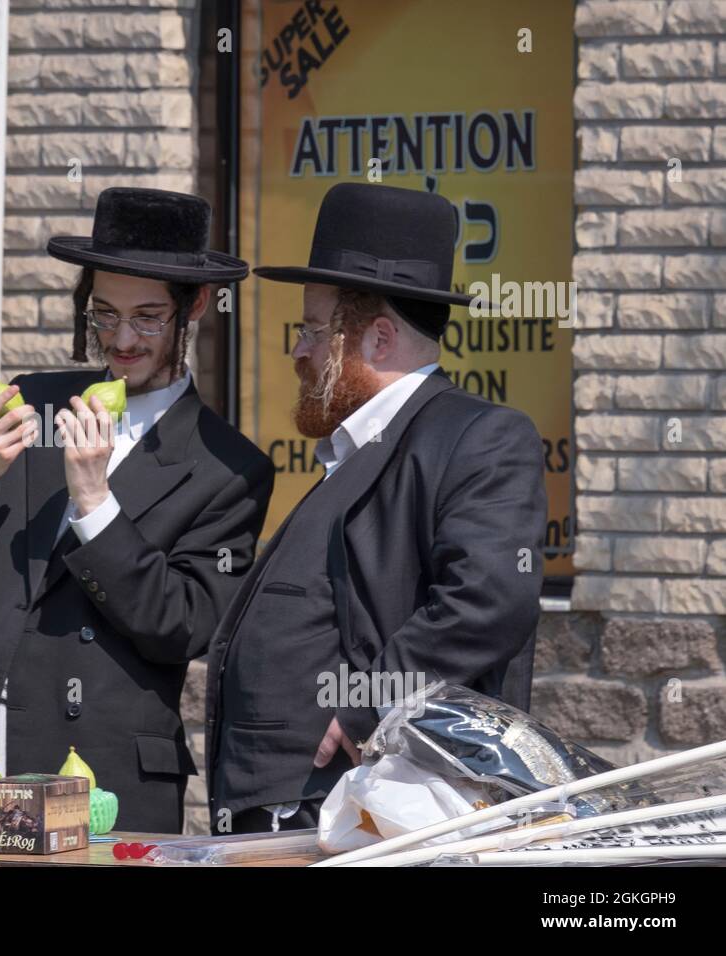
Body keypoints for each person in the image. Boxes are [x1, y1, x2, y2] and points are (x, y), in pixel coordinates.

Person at [0, 188, 274, 832]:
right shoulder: (33, 403)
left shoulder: (228, 467)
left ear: (197, 306)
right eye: (104, 313)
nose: (122, 339)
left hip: (96, 778)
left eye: (149, 317)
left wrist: (96, 504)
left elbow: (182, 626)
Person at [205, 182, 547, 834]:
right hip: (291, 813)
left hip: (370, 815)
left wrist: (365, 704)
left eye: (311, 329)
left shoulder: (480, 436)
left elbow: (489, 599)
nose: (297, 350)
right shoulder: (357, 447)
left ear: (379, 339)